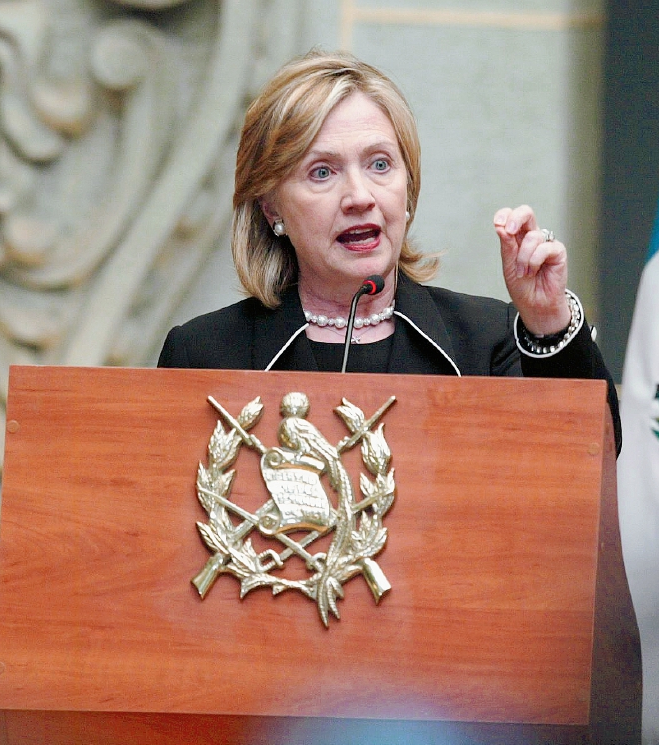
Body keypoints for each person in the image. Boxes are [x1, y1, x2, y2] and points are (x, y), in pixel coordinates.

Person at [158, 50, 620, 453]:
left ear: (407, 186)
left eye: (380, 164)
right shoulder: (204, 352)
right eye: (322, 172)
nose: (360, 196)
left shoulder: (484, 342)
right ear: (271, 205)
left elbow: (589, 460)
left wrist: (547, 323)